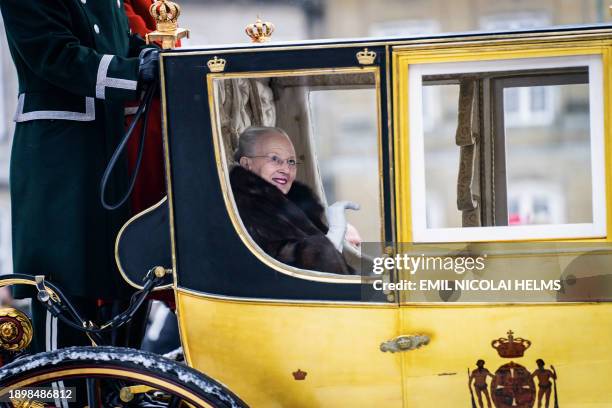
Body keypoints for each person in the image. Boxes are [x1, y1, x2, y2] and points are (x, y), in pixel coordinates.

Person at [0, 0, 160, 362]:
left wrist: (151, 55)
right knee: (63, 289)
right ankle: (61, 397)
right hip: (60, 161)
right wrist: (134, 71)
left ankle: (114, 389)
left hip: (108, 153)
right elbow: (54, 55)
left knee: (121, 279)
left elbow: (121, 46)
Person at [230, 126, 360, 274]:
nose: (286, 169)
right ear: (247, 164)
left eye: (291, 161)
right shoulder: (249, 210)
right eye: (274, 159)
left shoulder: (287, 205)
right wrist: (335, 235)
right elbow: (282, 273)